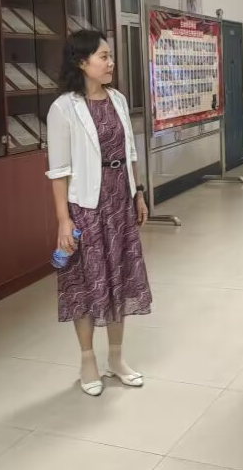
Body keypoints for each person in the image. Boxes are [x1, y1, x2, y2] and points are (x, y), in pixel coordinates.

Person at [46, 29, 152, 397]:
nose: (111, 63)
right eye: (103, 56)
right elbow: (58, 171)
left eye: (110, 56)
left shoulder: (117, 99)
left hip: (120, 202)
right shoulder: (64, 108)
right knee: (86, 283)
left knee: (120, 275)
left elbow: (130, 152)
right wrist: (64, 220)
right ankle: (88, 360)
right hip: (86, 208)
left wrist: (138, 194)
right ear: (82, 62)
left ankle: (117, 359)